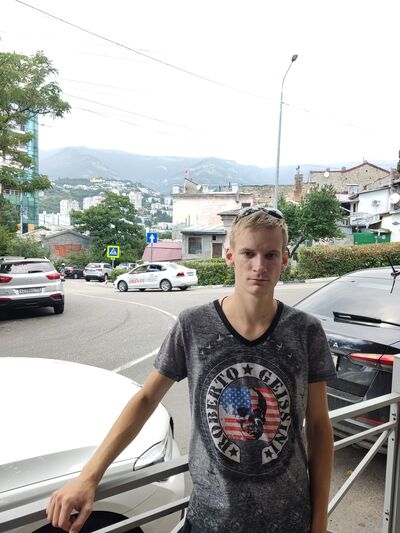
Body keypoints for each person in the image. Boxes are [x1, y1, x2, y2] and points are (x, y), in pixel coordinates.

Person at [46, 207, 336, 533]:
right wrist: (89, 477)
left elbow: (318, 426)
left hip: (290, 519)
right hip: (209, 519)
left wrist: (320, 520)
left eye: (270, 255)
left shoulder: (306, 331)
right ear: (230, 257)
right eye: (248, 253)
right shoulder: (193, 325)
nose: (259, 266)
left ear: (284, 260)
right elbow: (146, 400)